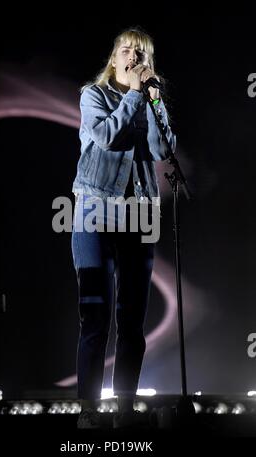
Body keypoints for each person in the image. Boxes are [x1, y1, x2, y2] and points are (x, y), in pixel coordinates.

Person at [71, 27, 176, 429]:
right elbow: (106, 137)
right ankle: (89, 411)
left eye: (141, 52)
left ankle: (126, 409)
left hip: (139, 214)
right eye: (126, 50)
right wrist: (133, 95)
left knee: (131, 319)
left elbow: (163, 150)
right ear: (114, 58)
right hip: (94, 211)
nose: (132, 56)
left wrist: (152, 101)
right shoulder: (92, 95)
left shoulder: (148, 100)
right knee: (94, 315)